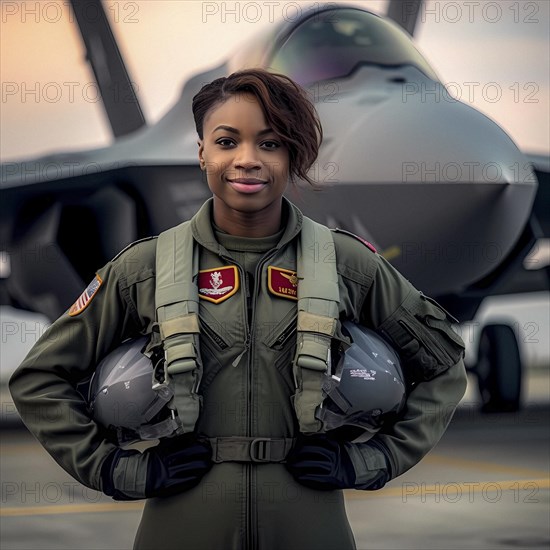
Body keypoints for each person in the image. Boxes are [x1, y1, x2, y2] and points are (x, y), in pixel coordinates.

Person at [9, 69, 467, 550]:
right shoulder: (143, 269)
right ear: (202, 151)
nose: (247, 160)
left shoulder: (348, 265)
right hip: (184, 519)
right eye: (227, 142)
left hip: (309, 518)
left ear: (293, 154)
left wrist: (371, 460)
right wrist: (115, 468)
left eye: (270, 144)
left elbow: (444, 367)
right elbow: (40, 380)